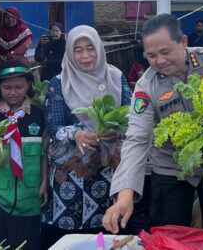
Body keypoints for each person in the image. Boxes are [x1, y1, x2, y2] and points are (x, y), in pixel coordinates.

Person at [104, 14, 203, 237]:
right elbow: (137, 140)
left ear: (184, 42)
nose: (159, 60)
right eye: (151, 56)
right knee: (168, 235)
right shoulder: (146, 86)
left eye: (165, 52)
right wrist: (125, 194)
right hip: (171, 169)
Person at [41, 25, 131, 248]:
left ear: (99, 48)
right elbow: (53, 126)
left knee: (107, 230)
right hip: (71, 173)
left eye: (90, 48)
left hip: (108, 169)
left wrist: (116, 130)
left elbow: (131, 115)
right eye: (78, 50)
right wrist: (77, 133)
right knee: (71, 238)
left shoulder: (116, 77)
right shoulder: (60, 82)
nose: (85, 55)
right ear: (70, 54)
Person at [0, 61, 46, 250]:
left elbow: (43, 154)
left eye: (19, 87)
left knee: (27, 245)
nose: (13, 92)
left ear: (29, 86)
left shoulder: (40, 116)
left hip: (30, 196)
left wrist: (44, 182)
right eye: (7, 87)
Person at [0, 7, 32, 74]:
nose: (10, 19)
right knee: (2, 83)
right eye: (7, 17)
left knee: (20, 82)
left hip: (19, 63)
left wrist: (10, 56)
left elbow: (24, 46)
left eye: (13, 17)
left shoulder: (24, 32)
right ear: (3, 19)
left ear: (17, 18)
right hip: (1, 64)